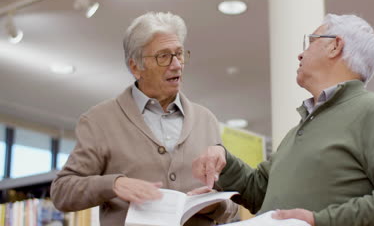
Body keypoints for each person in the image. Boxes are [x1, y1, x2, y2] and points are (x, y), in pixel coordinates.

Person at [192, 14, 374, 226]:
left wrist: (320, 221)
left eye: (311, 41)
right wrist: (223, 159)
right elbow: (259, 192)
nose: (301, 53)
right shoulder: (299, 130)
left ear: (335, 46)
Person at [51, 12, 237, 226]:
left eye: (179, 54)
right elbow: (62, 191)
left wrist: (215, 206)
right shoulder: (99, 121)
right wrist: (114, 184)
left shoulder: (206, 120)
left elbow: (230, 204)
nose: (176, 64)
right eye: (163, 56)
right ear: (135, 67)